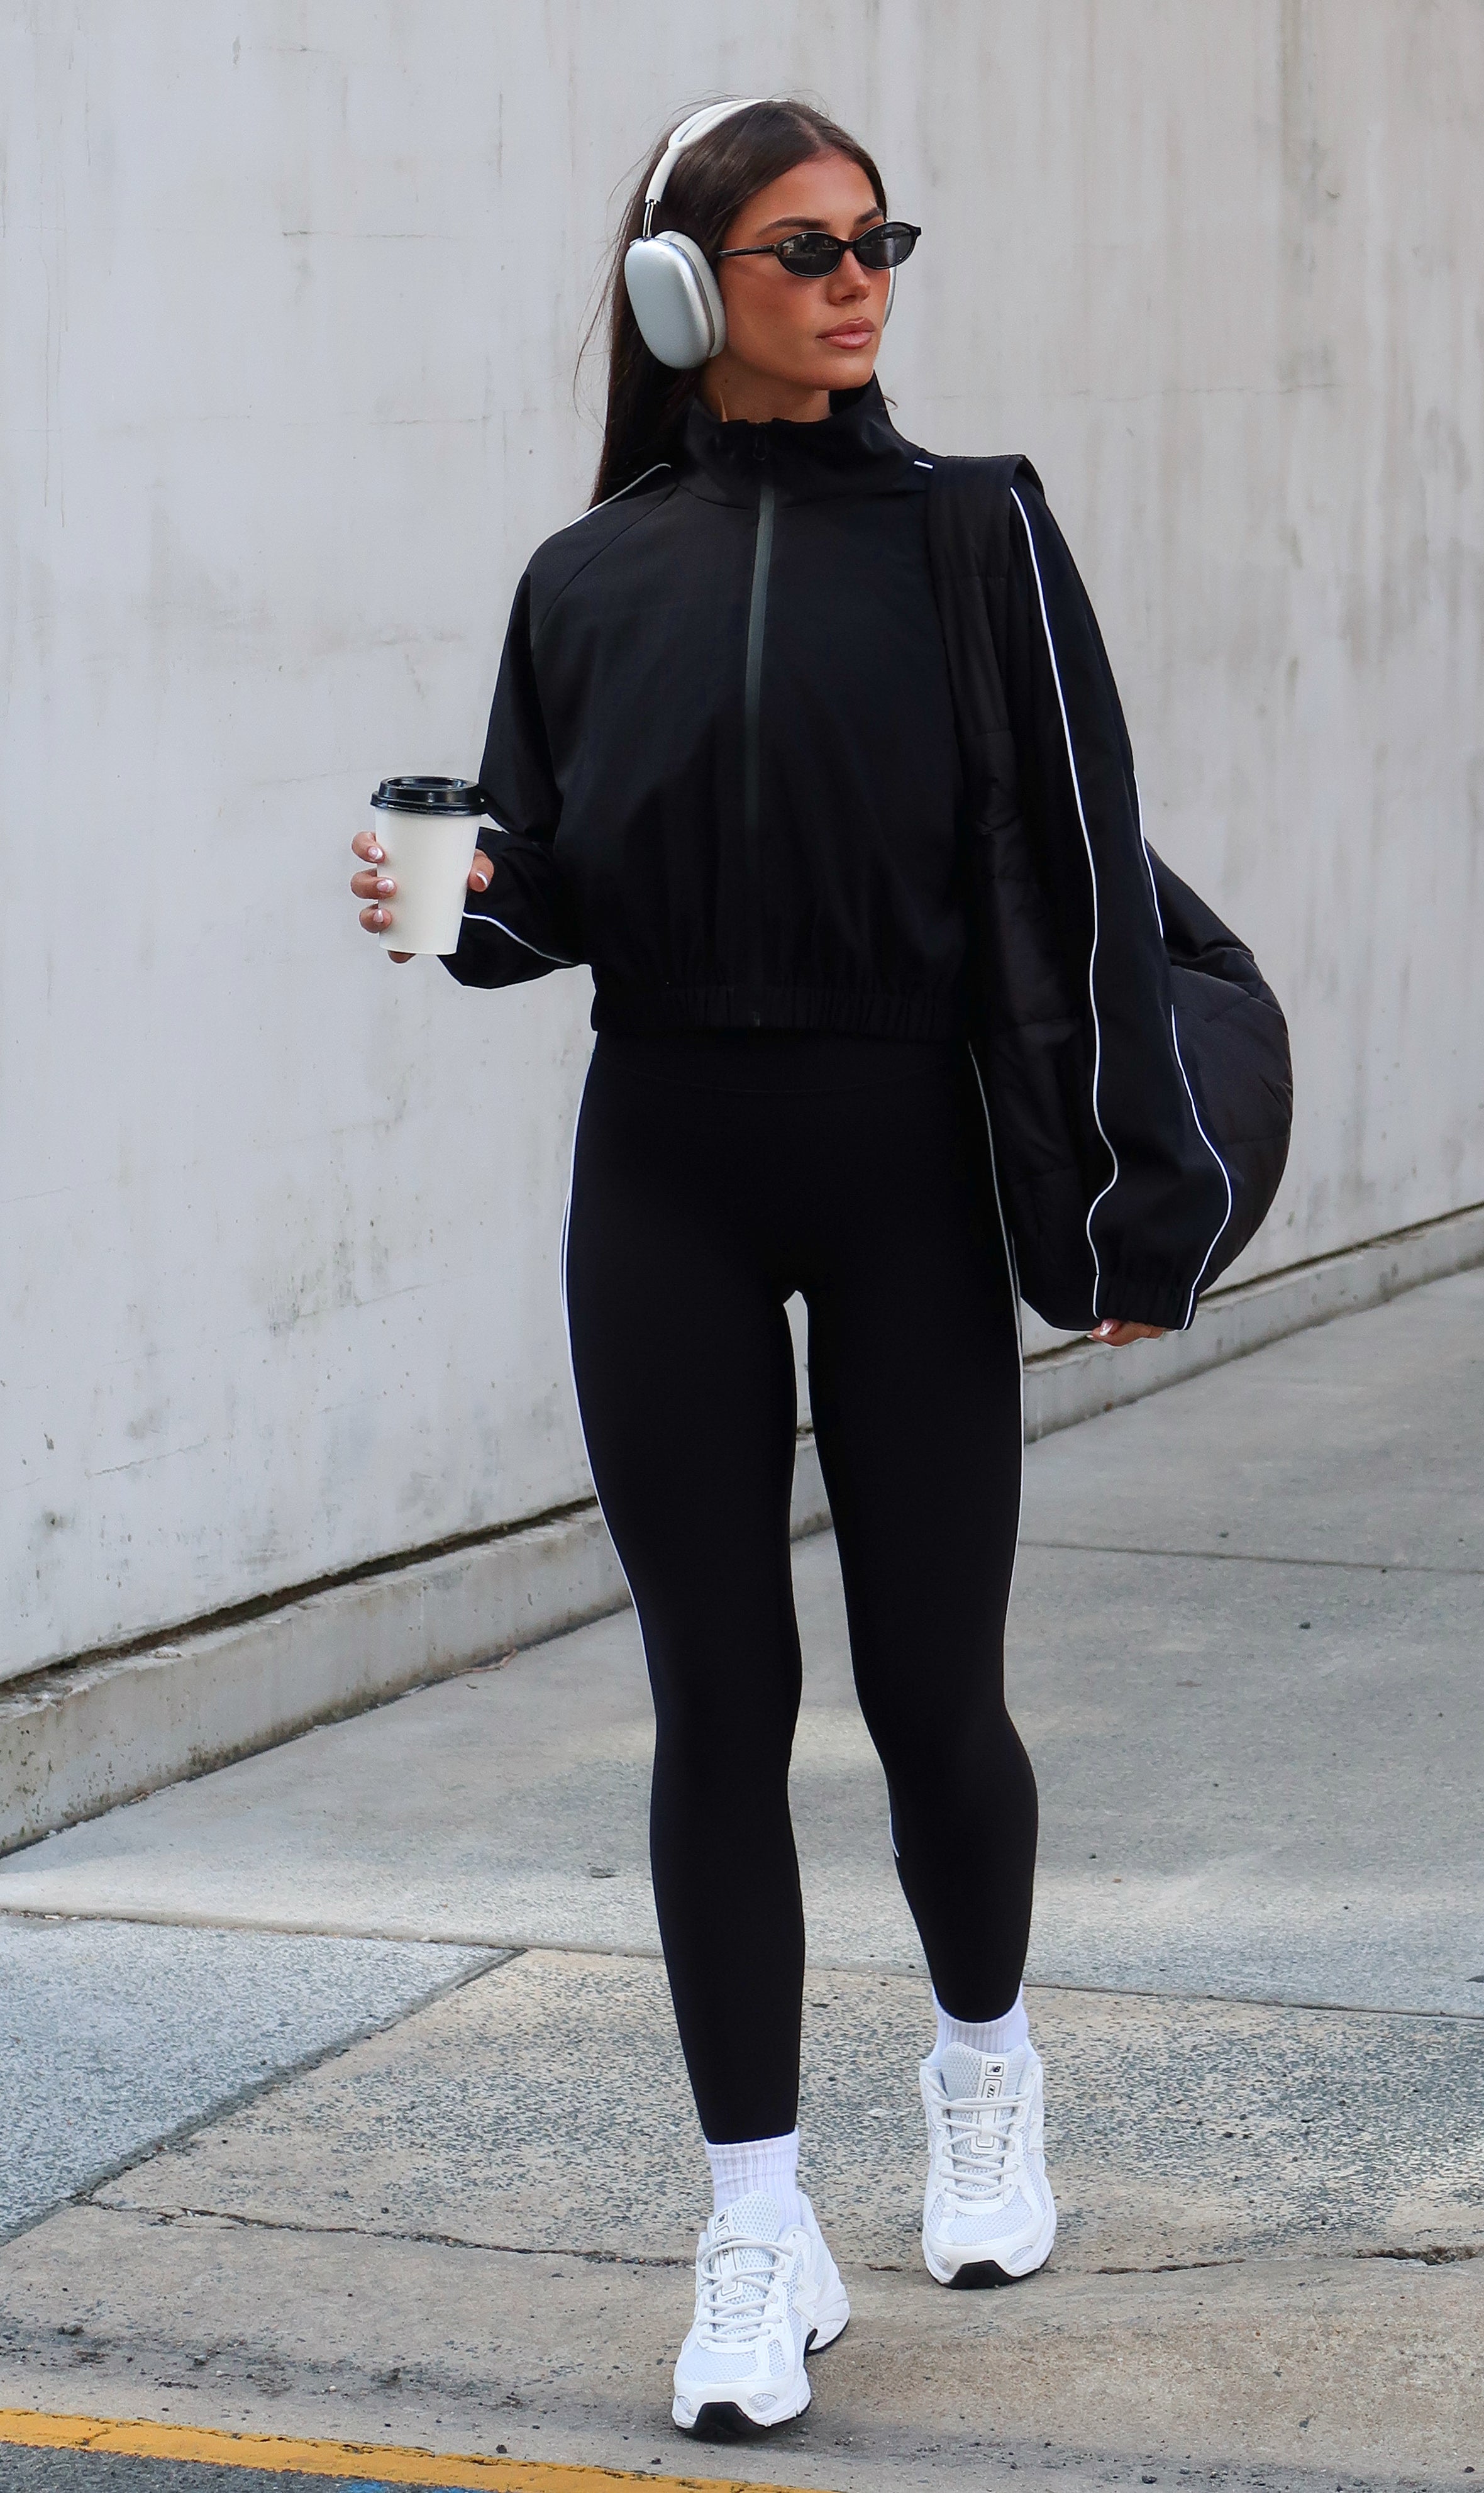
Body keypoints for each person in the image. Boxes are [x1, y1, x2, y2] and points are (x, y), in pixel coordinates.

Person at [352, 97, 1178, 2442]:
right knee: (716, 1700)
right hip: (664, 1175)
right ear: (679, 291)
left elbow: (1087, 874)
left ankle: (984, 2075)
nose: (857, 280)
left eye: (878, 240)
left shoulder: (974, 533)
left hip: (905, 1163)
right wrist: (463, 899)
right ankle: (751, 2223)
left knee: (933, 1692)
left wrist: (1126, 1205)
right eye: (805, 248)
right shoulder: (580, 579)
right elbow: (540, 904)